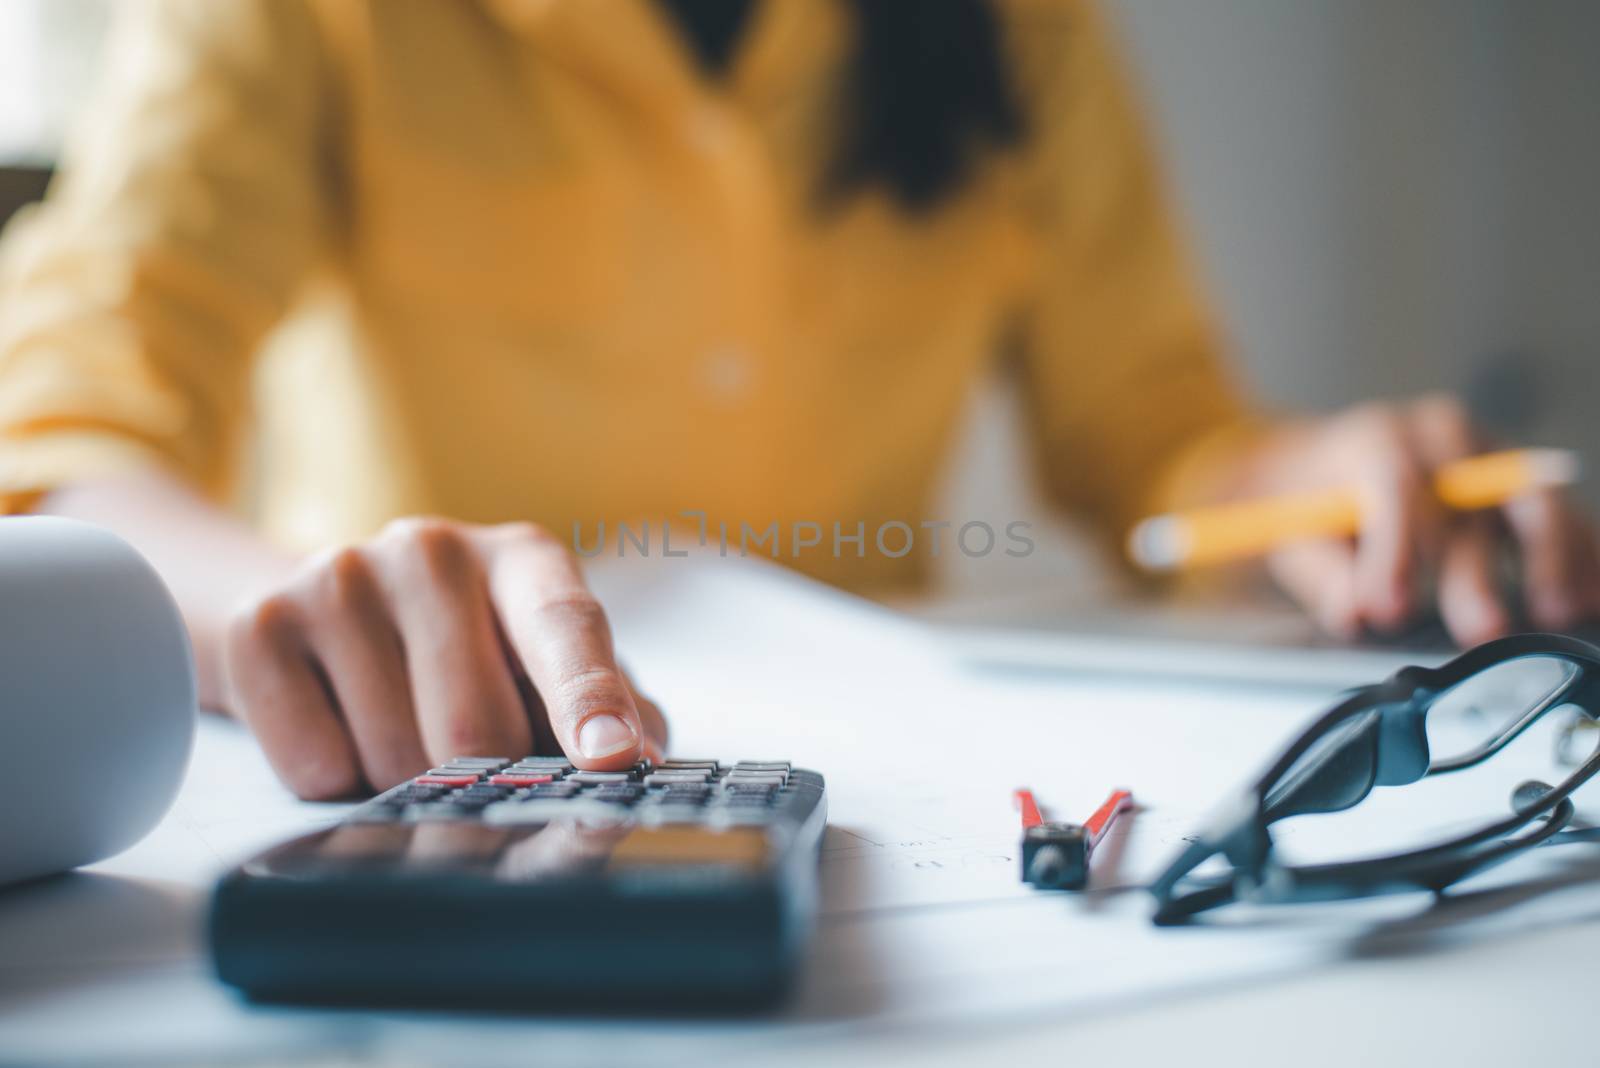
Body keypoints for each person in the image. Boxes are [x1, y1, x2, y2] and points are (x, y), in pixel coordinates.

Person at [1, 0, 1596, 799]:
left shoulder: (1019, 26)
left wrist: (1321, 486)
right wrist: (289, 609)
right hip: (430, 768)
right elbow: (69, 437)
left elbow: (1157, 441)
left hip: (908, 797)